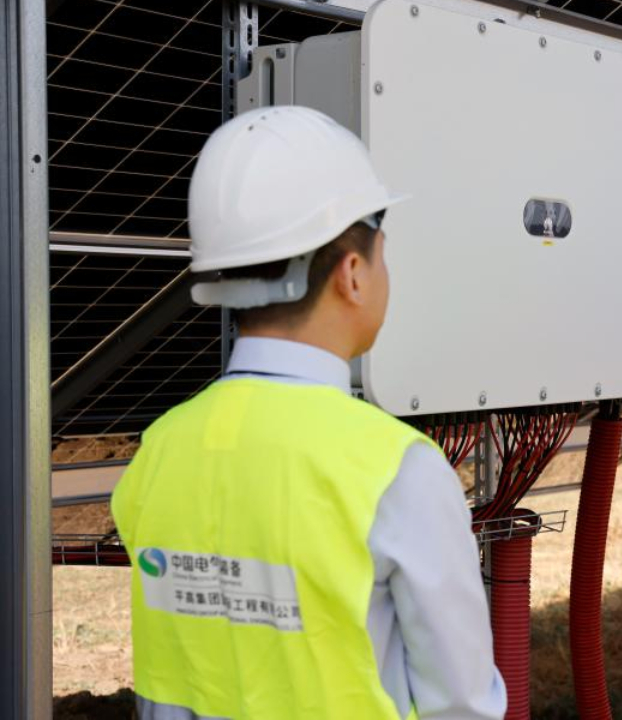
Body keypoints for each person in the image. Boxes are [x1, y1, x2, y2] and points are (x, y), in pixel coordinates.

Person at [112, 106, 506, 719]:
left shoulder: (159, 451)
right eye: (382, 253)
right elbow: (461, 706)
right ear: (353, 274)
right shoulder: (397, 472)